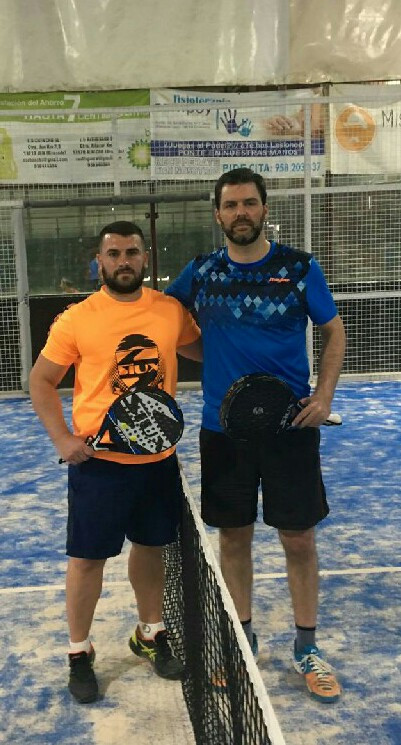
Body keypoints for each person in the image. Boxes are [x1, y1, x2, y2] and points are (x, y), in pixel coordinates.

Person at [165, 167, 346, 703]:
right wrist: (212, 353)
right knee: (234, 537)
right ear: (217, 214)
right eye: (230, 205)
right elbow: (167, 323)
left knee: (299, 539)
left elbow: (333, 330)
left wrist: (324, 397)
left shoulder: (299, 268)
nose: (240, 212)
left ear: (264, 209)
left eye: (248, 203)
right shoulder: (201, 272)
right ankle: (242, 642)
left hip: (291, 429)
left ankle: (307, 647)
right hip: (224, 432)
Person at [29, 220, 202, 704]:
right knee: (87, 561)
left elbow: (206, 350)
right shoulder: (76, 319)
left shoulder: (170, 311)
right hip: (98, 466)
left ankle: (149, 632)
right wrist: (62, 438)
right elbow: (41, 381)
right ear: (99, 262)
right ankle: (79, 651)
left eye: (131, 252)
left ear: (145, 258)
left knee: (150, 549)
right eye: (113, 254)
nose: (123, 261)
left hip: (157, 461)